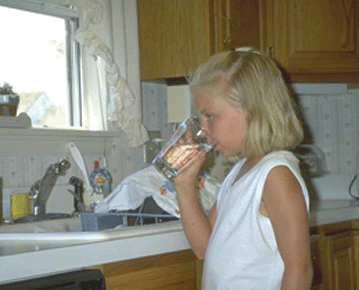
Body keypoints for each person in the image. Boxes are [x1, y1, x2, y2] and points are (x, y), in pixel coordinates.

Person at [173, 47, 313, 289]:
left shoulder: (275, 174)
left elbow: (299, 269)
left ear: (252, 111)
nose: (203, 129)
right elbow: (204, 247)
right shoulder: (241, 171)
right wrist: (184, 185)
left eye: (211, 116)